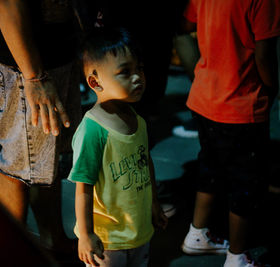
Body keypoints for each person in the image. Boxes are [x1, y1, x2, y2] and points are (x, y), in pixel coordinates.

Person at [0, 0, 83, 263]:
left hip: (57, 50)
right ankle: (4, 252)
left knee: (44, 157)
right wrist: (34, 76)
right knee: (18, 166)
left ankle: (52, 239)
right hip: (26, 63)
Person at [179, 0, 280, 266]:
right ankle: (238, 256)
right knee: (246, 184)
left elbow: (187, 23)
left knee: (209, 167)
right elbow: (264, 55)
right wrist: (272, 88)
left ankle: (197, 234)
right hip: (241, 104)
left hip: (204, 98)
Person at [68, 27, 168, 267]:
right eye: (125, 72)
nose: (137, 78)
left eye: (139, 69)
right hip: (106, 239)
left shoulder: (138, 121)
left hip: (138, 229)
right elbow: (83, 188)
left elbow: (146, 163)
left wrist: (154, 203)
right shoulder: (93, 131)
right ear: (95, 82)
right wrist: (86, 235)